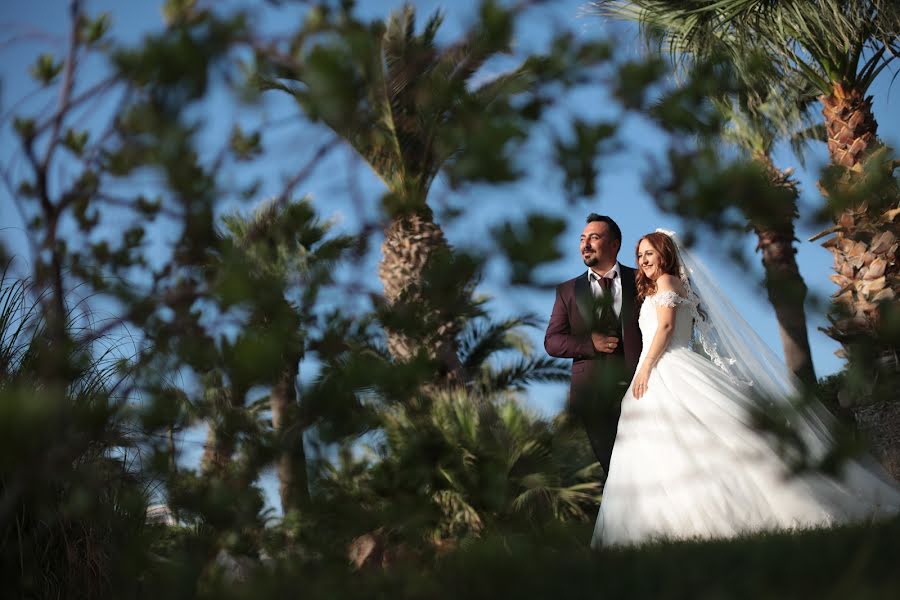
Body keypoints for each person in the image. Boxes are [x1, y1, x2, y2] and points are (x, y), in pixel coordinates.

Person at [592, 230, 900, 548]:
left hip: (667, 365)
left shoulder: (669, 282)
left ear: (665, 255)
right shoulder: (661, 287)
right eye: (640, 255)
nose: (643, 260)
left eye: (650, 254)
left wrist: (644, 369)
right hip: (660, 368)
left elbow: (667, 328)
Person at [544, 214, 642, 476]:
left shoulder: (641, 281)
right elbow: (552, 341)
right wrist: (590, 343)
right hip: (594, 399)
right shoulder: (567, 291)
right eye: (582, 239)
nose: (585, 245)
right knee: (615, 473)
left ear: (614, 244)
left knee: (646, 468)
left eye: (594, 238)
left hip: (642, 390)